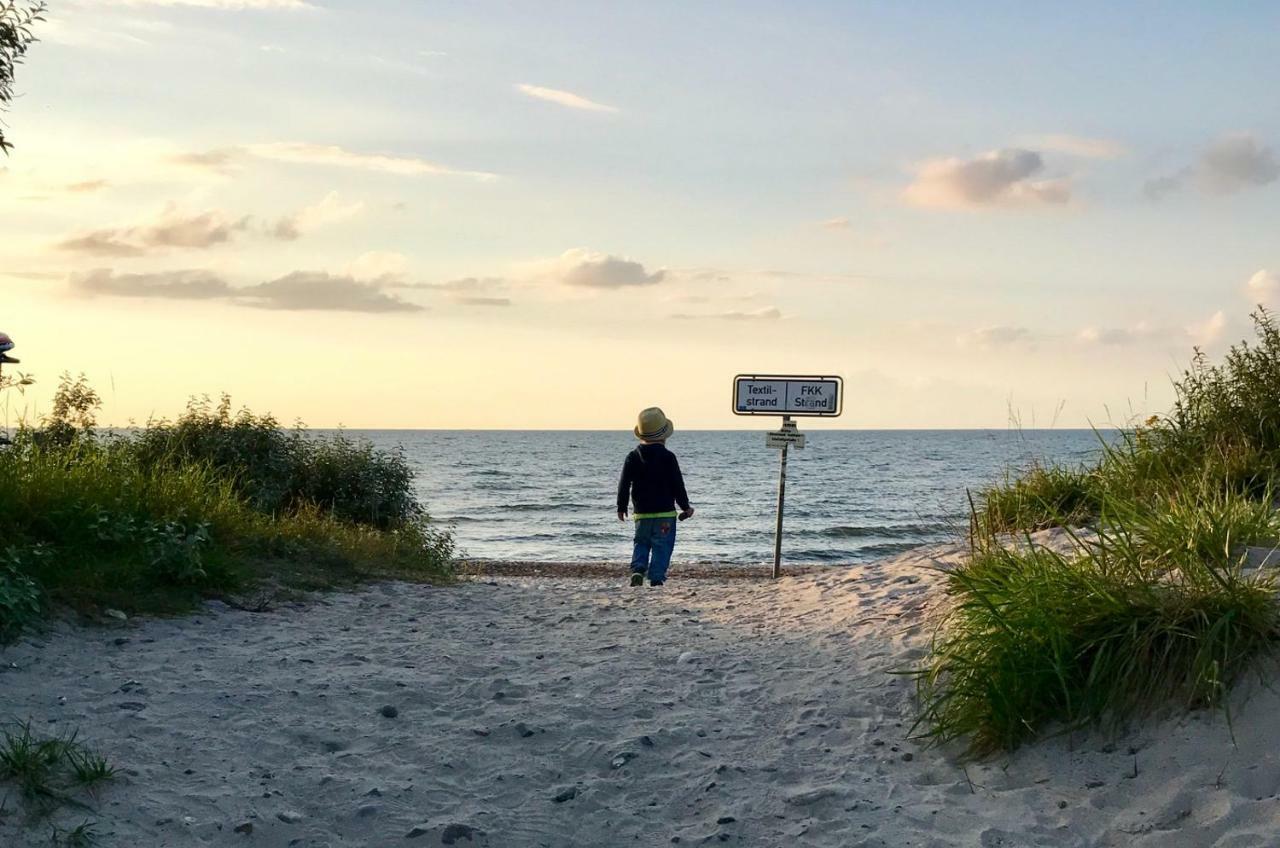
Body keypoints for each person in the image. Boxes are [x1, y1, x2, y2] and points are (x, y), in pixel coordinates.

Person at [616, 407, 694, 587]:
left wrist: (621, 507)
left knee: (641, 542)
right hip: (665, 514)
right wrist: (685, 507)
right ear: (664, 435)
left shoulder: (633, 456)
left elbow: (624, 484)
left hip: (641, 513)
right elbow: (677, 485)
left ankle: (638, 569)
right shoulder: (668, 457)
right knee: (662, 545)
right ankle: (656, 577)